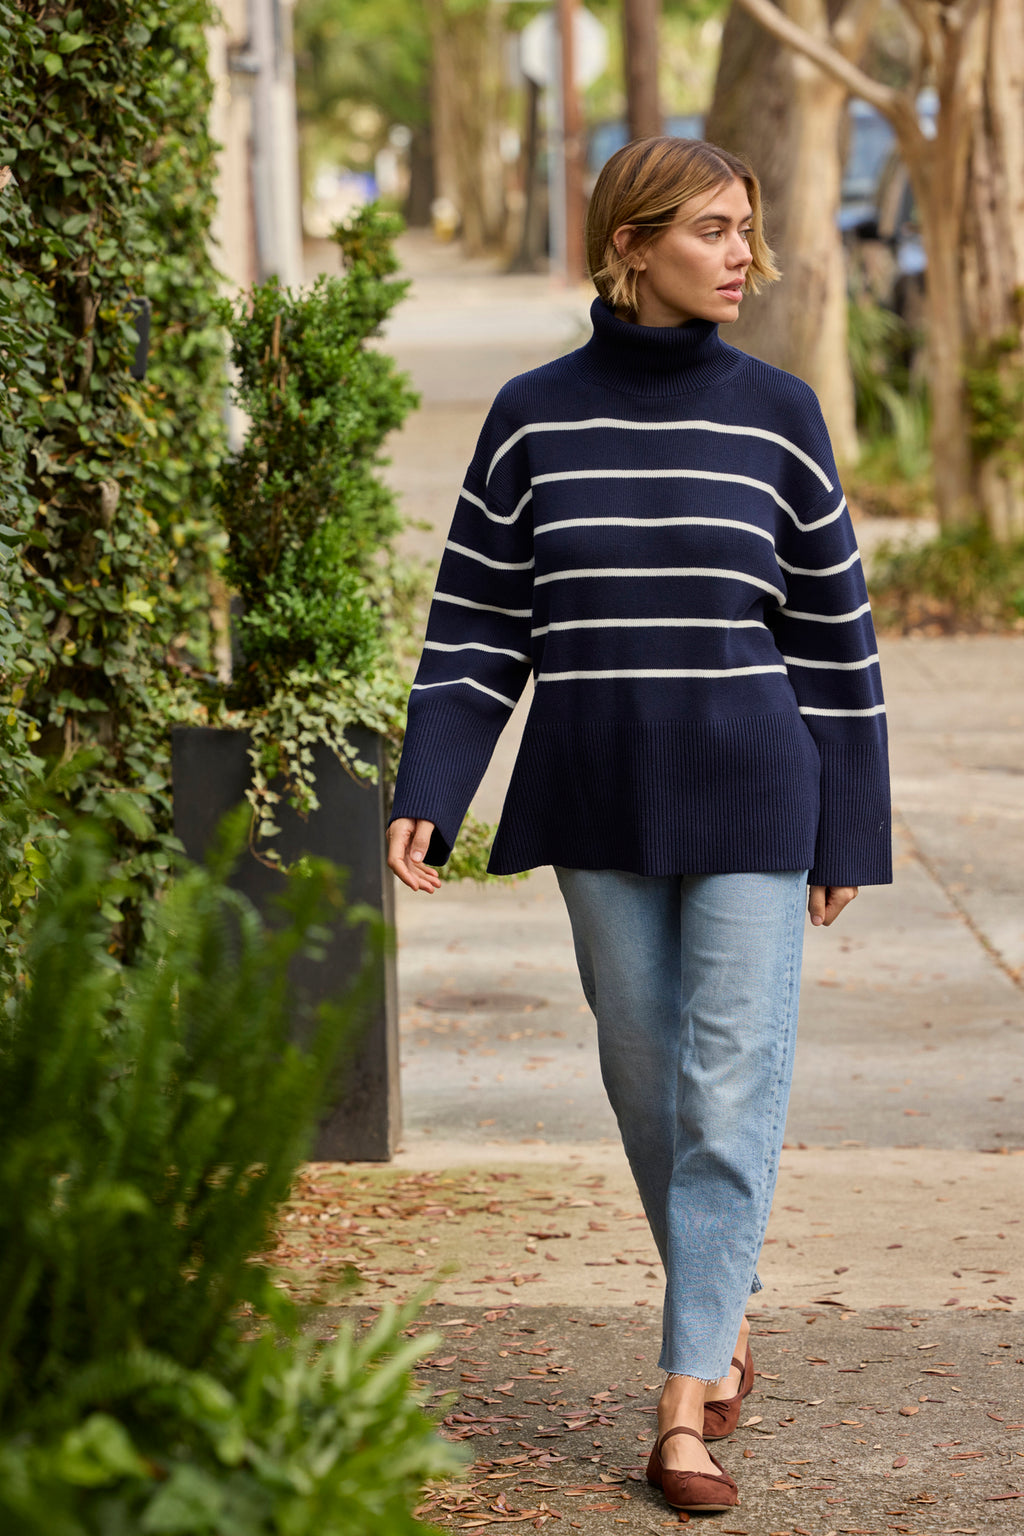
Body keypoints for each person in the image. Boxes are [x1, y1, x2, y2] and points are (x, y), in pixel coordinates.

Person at [387, 136, 891, 1515]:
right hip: (599, 789)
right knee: (648, 1077)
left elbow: (837, 643)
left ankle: (682, 1409)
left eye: (747, 229)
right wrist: (432, 779)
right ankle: (721, 1312)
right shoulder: (535, 415)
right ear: (631, 245)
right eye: (713, 230)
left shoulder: (780, 414)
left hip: (754, 793)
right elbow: (483, 617)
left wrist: (850, 825)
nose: (742, 255)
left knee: (729, 1087)